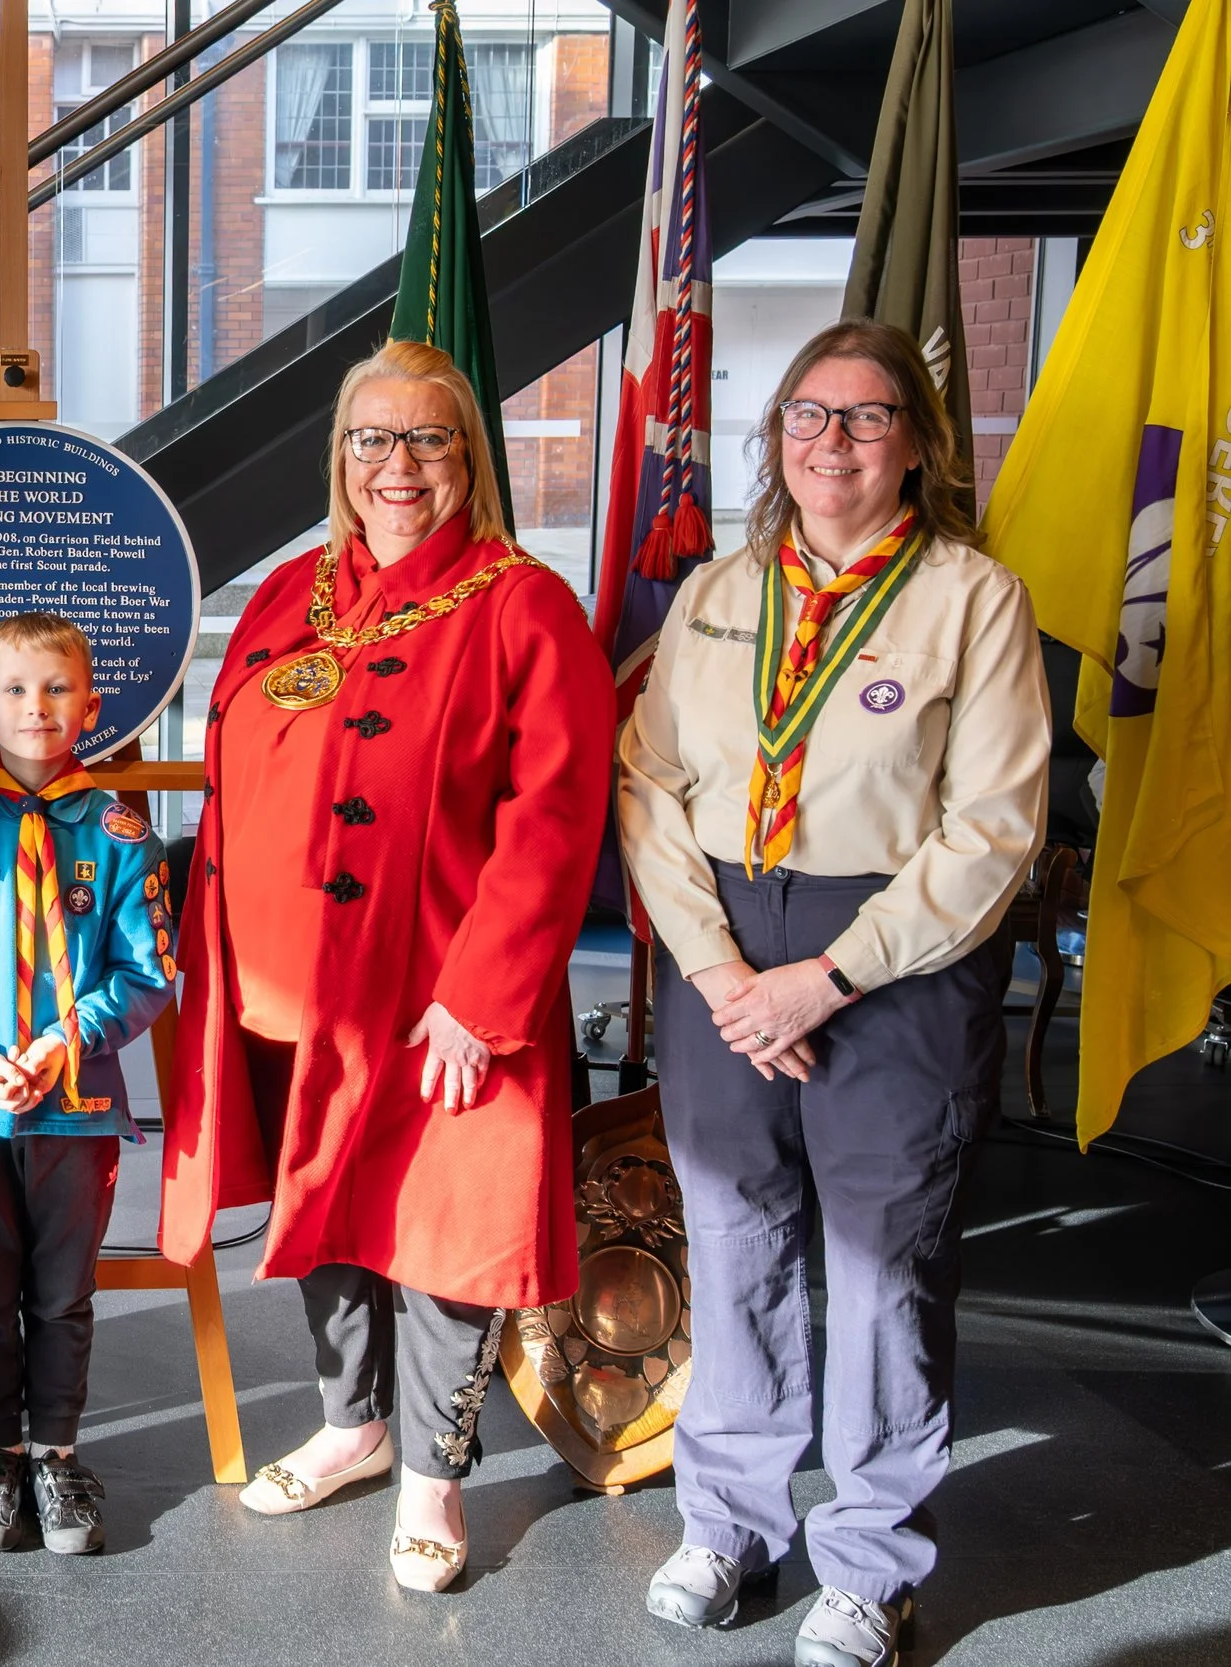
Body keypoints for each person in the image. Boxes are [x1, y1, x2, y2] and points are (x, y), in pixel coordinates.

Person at [617, 320, 1049, 1667]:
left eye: (867, 418)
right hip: (726, 944)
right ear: (777, 435)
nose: (834, 441)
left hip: (895, 954)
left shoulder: (975, 598)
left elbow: (993, 828)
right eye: (809, 414)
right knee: (735, 1232)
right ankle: (731, 1521)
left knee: (882, 1262)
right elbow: (651, 786)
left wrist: (827, 974)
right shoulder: (714, 594)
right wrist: (721, 967)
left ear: (916, 443)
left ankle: (869, 1559)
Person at [157, 340, 613, 1593]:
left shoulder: (525, 603)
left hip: (444, 1002)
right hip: (298, 993)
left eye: (424, 439)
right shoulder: (282, 593)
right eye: (371, 439)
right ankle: (351, 1424)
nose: (395, 465)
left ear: (468, 454)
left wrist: (485, 993)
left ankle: (432, 1476)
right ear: (339, 457)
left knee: (442, 1236)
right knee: (332, 1214)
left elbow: (555, 812)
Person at [0, 611, 175, 1556]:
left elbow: (147, 974)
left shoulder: (123, 833)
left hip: (77, 1109)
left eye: (56, 688)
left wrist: (63, 1041)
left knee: (62, 1292)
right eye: (14, 689)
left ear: (90, 704)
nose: (36, 706)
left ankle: (55, 1454)